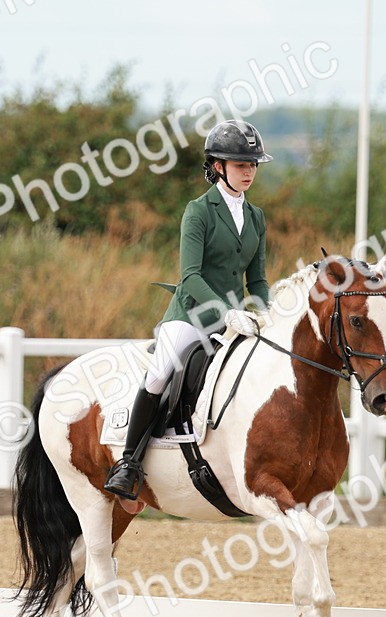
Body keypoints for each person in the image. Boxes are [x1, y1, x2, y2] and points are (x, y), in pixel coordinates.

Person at [104, 119, 273, 501]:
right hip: (192, 315)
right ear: (218, 166)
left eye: (253, 165)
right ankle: (128, 463)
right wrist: (228, 311)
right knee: (161, 374)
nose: (249, 171)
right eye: (240, 164)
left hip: (238, 319)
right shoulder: (198, 212)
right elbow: (191, 276)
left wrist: (265, 313)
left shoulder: (257, 217)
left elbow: (257, 279)